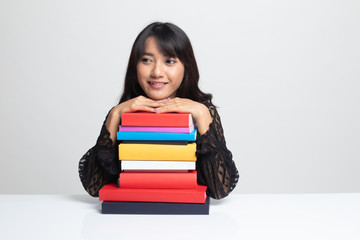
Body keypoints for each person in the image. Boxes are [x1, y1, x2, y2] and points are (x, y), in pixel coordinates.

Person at [79, 22, 239, 199]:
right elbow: (94, 188)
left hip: (187, 217)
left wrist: (201, 114)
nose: (156, 72)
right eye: (146, 60)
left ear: (186, 67)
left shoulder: (203, 111)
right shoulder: (122, 112)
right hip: (132, 212)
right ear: (135, 66)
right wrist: (115, 115)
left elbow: (220, 189)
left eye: (169, 61)